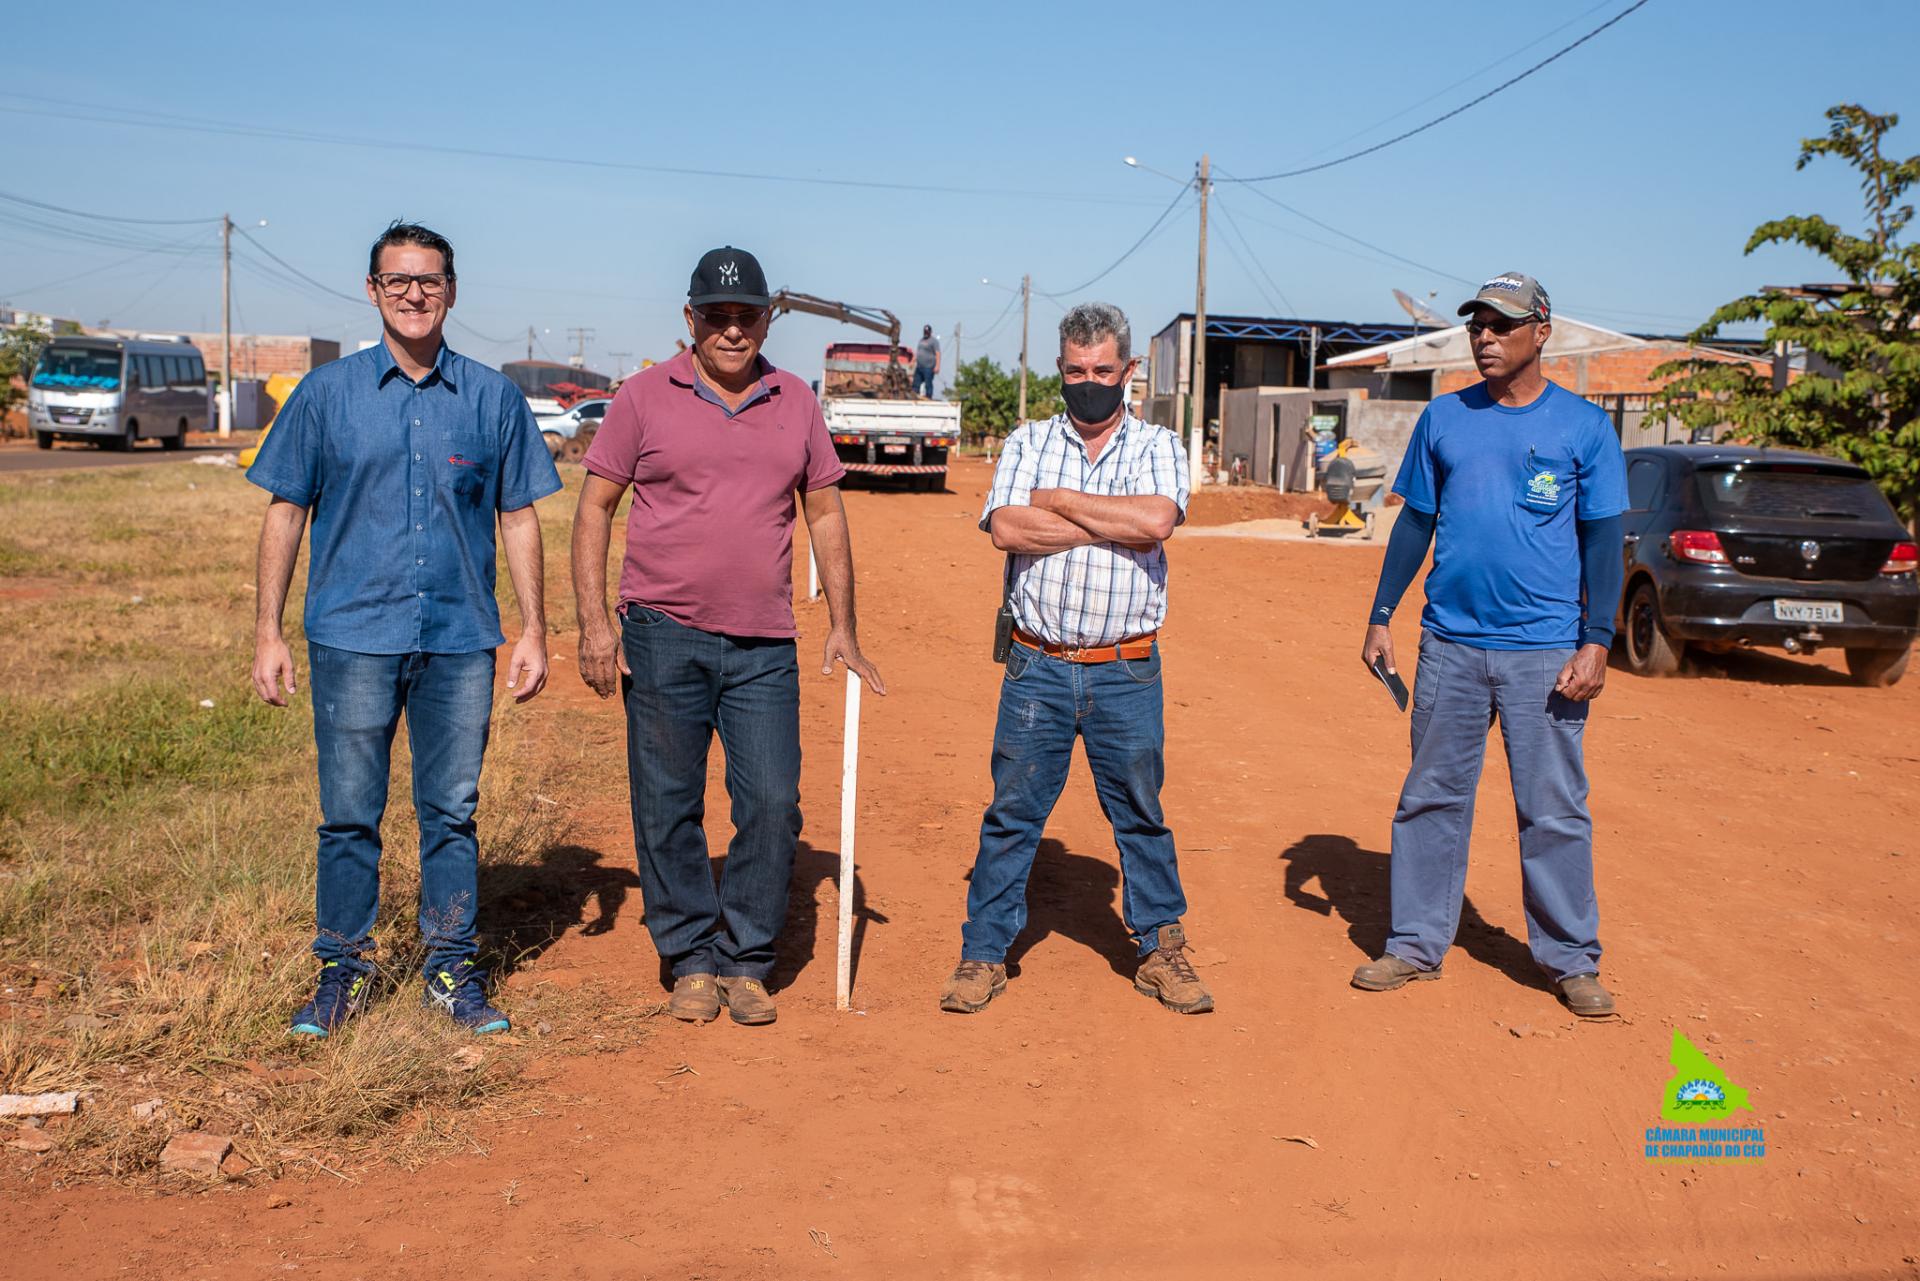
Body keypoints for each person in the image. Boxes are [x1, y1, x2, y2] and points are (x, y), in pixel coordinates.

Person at [249, 220, 562, 1037]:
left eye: (429, 281)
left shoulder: (492, 399)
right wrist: (267, 631)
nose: (415, 294)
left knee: (451, 811)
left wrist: (533, 629)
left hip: (460, 640)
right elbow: (287, 512)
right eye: (398, 281)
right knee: (349, 813)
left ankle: (451, 967)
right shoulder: (326, 396)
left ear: (451, 292)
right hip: (353, 635)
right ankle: (342, 970)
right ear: (373, 291)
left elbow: (520, 519)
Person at [572, 245, 884, 1028]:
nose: (733, 330)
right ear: (691, 319)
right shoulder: (643, 397)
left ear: (768, 320)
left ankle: (746, 955)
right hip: (661, 634)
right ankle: (690, 957)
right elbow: (594, 509)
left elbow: (823, 512)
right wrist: (594, 623)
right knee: (668, 803)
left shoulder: (796, 402)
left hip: (762, 643)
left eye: (747, 316)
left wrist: (844, 624)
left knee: (773, 801)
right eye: (718, 316)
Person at [1354, 272, 1627, 1018]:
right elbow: (1415, 523)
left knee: (1554, 808)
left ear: (1543, 331)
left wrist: (1597, 639)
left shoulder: (1584, 428)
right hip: (1450, 645)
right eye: (1477, 324)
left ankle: (1570, 958)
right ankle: (1413, 942)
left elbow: (1604, 541)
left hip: (1546, 653)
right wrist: (1382, 612)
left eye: (1502, 325)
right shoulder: (1444, 420)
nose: (1484, 337)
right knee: (1431, 797)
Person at [941, 301, 1211, 1016]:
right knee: (1012, 811)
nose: (1088, 382)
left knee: (1141, 814)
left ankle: (1161, 949)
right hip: (1040, 665)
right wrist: (1108, 521)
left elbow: (1155, 523)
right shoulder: (1028, 439)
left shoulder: (1158, 445)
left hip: (1126, 667)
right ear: (1058, 370)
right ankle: (983, 952)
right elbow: (1005, 527)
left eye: (1102, 370)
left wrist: (1059, 502)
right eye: (1074, 370)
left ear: (1127, 371)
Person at [913, 324, 939, 399]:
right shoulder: (921, 340)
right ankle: (915, 395)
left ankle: (929, 396)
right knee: (916, 382)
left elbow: (938, 353)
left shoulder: (934, 341)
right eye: (925, 332)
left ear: (930, 332)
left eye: (927, 332)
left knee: (928, 383)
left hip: (929, 367)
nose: (926, 333)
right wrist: (912, 361)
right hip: (919, 366)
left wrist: (937, 366)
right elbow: (918, 352)